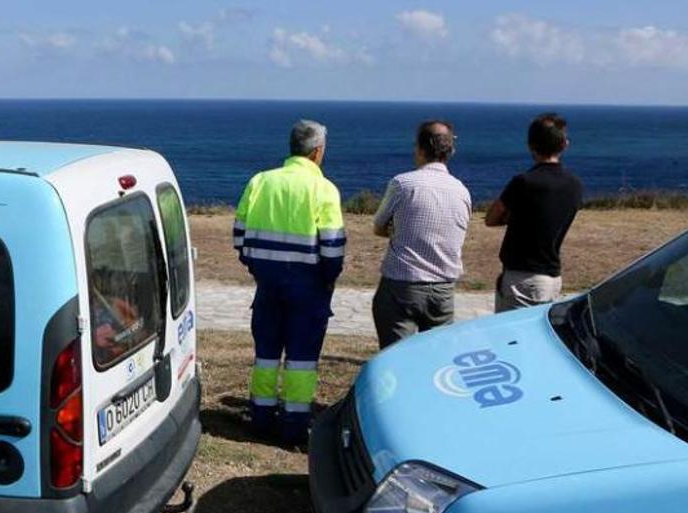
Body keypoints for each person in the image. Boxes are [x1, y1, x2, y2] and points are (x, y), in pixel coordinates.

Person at [232, 119, 345, 444]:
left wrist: (256, 266)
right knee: (302, 359)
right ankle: (294, 426)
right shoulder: (323, 189)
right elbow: (333, 247)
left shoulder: (260, 181)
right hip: (308, 286)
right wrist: (327, 279)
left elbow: (239, 234)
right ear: (317, 151)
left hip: (267, 284)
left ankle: (261, 417)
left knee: (266, 353)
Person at [370, 120, 472, 349]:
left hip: (402, 284)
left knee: (396, 357)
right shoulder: (462, 191)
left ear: (420, 148)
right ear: (450, 150)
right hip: (443, 288)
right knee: (435, 359)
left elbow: (378, 226)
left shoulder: (403, 184)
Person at [485, 113, 583, 311]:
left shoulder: (524, 182)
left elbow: (491, 218)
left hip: (522, 278)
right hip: (553, 277)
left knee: (510, 338)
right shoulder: (575, 184)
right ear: (564, 144)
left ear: (531, 145)